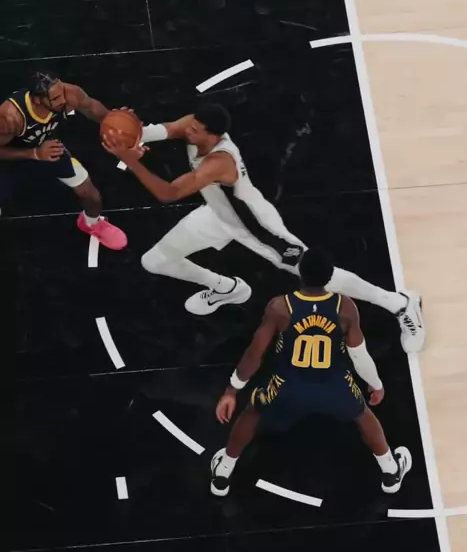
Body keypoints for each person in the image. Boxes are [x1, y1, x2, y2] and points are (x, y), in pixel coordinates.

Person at [103, 102, 424, 352]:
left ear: (211, 136)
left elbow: (169, 193)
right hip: (216, 216)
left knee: (317, 273)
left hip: (256, 227)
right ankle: (227, 288)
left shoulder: (219, 161)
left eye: (195, 130)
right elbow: (169, 129)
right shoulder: (195, 126)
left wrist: (130, 160)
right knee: (154, 261)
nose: (188, 131)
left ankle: (400, 304)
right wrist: (133, 133)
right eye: (191, 125)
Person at [210, 246, 412, 496]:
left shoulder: (280, 307)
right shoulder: (345, 307)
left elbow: (255, 354)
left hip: (288, 386)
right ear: (330, 276)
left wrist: (231, 390)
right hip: (334, 386)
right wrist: (376, 384)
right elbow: (359, 356)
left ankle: (222, 474)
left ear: (300, 273)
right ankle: (391, 472)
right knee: (363, 414)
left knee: (253, 411)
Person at [0, 71, 126, 249]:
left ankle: (91, 223)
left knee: (91, 195)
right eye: (56, 98)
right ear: (37, 100)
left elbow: (93, 109)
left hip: (48, 148)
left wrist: (120, 126)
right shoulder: (9, 117)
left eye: (62, 92)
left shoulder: (70, 94)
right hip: (10, 158)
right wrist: (34, 153)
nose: (63, 100)